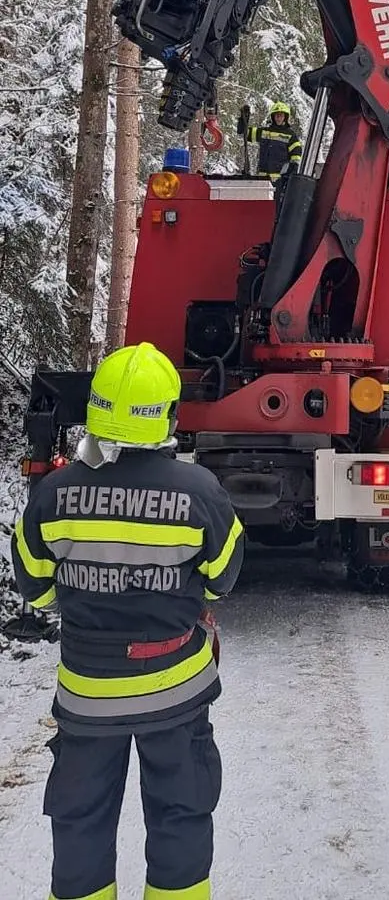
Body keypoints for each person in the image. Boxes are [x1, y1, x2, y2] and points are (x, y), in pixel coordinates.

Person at [12, 342, 244, 900]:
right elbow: (222, 577)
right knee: (180, 816)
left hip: (86, 695)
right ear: (166, 415)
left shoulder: (54, 494)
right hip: (175, 691)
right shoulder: (200, 493)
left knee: (80, 823)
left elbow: (34, 587)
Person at [237, 100, 302, 180]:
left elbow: (296, 155)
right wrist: (243, 120)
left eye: (281, 115)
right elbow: (244, 134)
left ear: (285, 117)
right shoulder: (265, 132)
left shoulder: (290, 135)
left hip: (280, 180)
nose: (278, 118)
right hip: (262, 178)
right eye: (276, 115)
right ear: (273, 116)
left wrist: (291, 173)